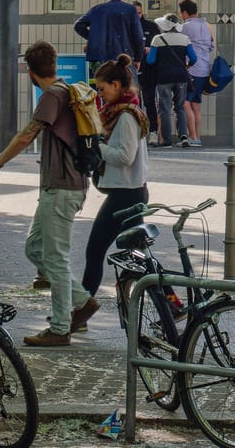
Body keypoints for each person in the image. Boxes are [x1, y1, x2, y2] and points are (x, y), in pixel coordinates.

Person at [0, 40, 93, 346]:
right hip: (61, 186)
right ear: (53, 64)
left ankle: (60, 328)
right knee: (35, 249)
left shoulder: (52, 97)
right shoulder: (65, 90)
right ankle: (82, 302)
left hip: (62, 187)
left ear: (30, 72)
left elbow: (27, 134)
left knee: (55, 258)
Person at [77, 54, 151, 329]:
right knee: (141, 257)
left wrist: (98, 148)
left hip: (126, 195)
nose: (100, 93)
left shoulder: (126, 116)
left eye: (103, 88)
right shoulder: (125, 111)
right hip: (132, 192)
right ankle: (171, 303)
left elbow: (124, 156)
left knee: (95, 251)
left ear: (117, 85)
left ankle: (81, 312)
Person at [146, 14, 196, 148]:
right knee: (180, 107)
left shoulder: (157, 39)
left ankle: (167, 141)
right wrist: (187, 65)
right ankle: (184, 136)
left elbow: (150, 60)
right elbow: (194, 58)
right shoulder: (185, 39)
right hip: (181, 77)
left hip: (163, 78)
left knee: (165, 109)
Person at [73, 0, 144, 70]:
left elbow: (78, 25)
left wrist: (93, 38)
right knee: (126, 83)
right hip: (125, 57)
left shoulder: (97, 10)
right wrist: (138, 59)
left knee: (103, 83)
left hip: (102, 57)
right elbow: (138, 36)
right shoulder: (130, 10)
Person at [176, 0, 213, 148]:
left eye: (181, 12)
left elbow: (180, 45)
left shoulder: (186, 27)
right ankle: (197, 136)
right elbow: (211, 47)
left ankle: (192, 136)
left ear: (184, 12)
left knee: (185, 103)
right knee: (196, 105)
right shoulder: (207, 26)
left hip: (191, 69)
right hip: (204, 70)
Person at [134, 2, 161, 143]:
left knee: (149, 100)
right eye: (134, 13)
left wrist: (149, 49)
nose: (136, 16)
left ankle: (153, 131)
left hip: (149, 69)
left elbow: (158, 46)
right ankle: (136, 131)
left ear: (142, 12)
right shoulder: (125, 27)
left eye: (138, 13)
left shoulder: (151, 27)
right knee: (134, 102)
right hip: (132, 69)